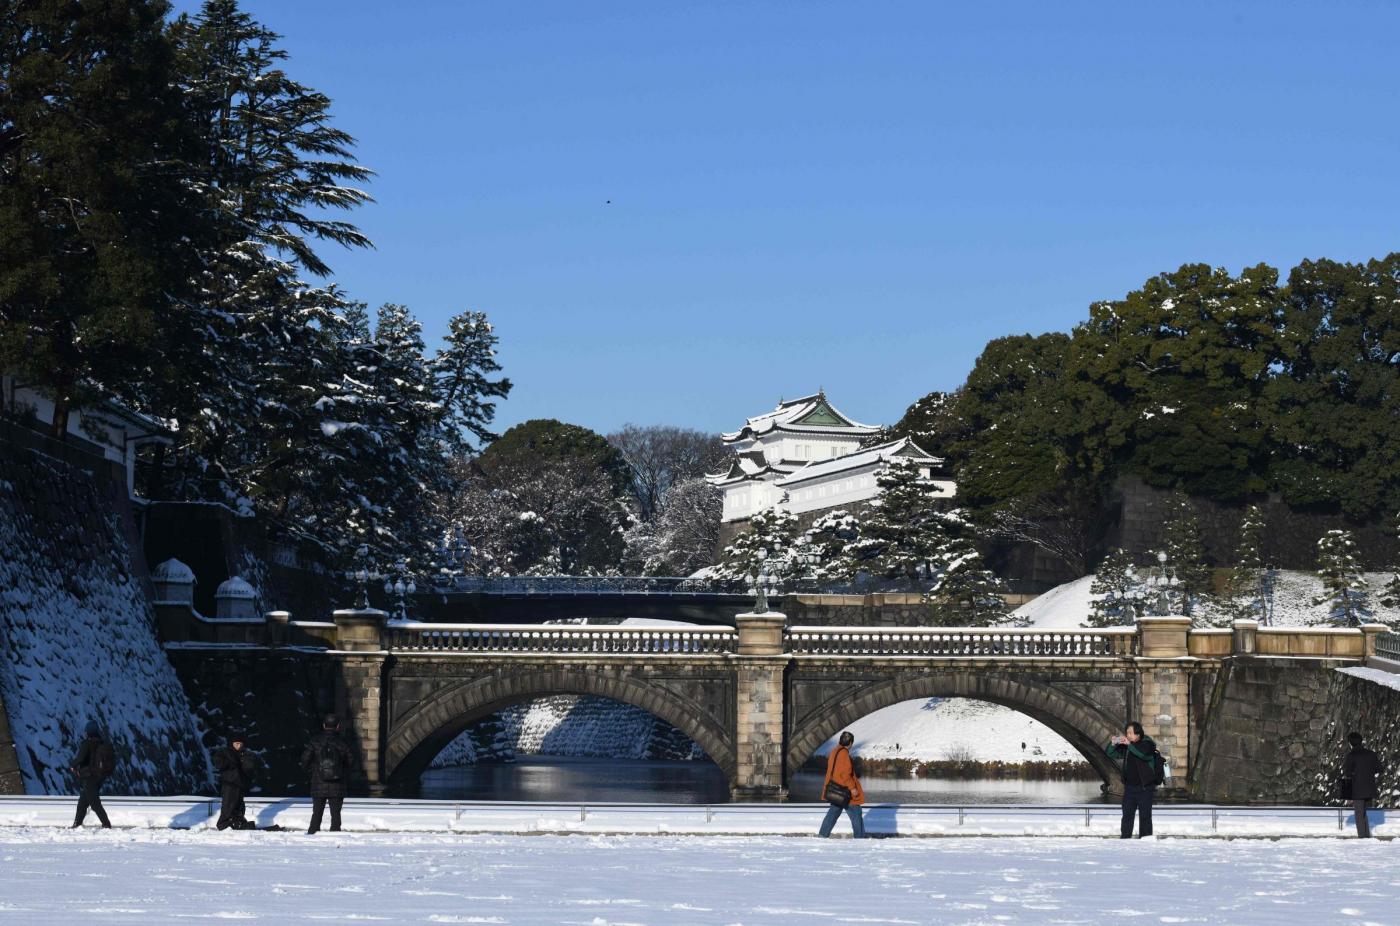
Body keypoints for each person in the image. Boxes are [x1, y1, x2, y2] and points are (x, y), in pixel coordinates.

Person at [1107, 721, 1160, 839]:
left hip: (1145, 788)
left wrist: (1129, 745)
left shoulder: (1148, 744)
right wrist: (1112, 744)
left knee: (1145, 816)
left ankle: (1145, 840)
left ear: (1138, 734)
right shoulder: (1127, 746)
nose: (1128, 735)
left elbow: (1143, 755)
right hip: (1130, 788)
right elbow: (1111, 754)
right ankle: (1125, 839)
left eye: (1130, 733)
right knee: (1127, 816)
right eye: (1127, 733)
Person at [303, 714, 353, 835]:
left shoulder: (315, 741)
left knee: (317, 813)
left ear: (324, 725)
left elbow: (305, 759)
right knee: (336, 815)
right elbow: (351, 761)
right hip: (337, 784)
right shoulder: (342, 742)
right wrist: (342, 772)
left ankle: (312, 835)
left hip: (318, 782)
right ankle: (335, 836)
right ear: (338, 726)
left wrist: (313, 772)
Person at [818, 731, 866, 839]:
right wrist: (853, 788)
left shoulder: (834, 751)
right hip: (845, 791)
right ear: (850, 743)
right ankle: (860, 838)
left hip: (835, 790)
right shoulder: (844, 754)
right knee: (856, 813)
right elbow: (845, 774)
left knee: (833, 813)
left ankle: (822, 835)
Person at [69, 721, 114, 829]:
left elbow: (80, 758)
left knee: (94, 803)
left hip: (89, 776)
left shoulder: (87, 743)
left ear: (88, 732)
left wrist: (72, 765)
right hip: (99, 777)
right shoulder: (101, 743)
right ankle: (77, 824)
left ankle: (106, 824)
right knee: (83, 802)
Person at [212, 734, 256, 831]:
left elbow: (249, 768)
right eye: (236, 743)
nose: (238, 746)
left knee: (239, 805)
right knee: (228, 805)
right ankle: (223, 824)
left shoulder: (245, 754)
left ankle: (237, 822)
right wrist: (230, 764)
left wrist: (246, 763)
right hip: (229, 783)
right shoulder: (226, 752)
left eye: (240, 744)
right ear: (232, 744)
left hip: (240, 785)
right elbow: (217, 761)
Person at [1343, 731, 1382, 838]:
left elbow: (1347, 773)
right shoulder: (1371, 754)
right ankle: (1366, 836)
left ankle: (1362, 837)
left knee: (1359, 814)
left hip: (1356, 788)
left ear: (1350, 743)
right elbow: (1379, 769)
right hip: (1369, 787)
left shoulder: (1351, 755)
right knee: (1363, 812)